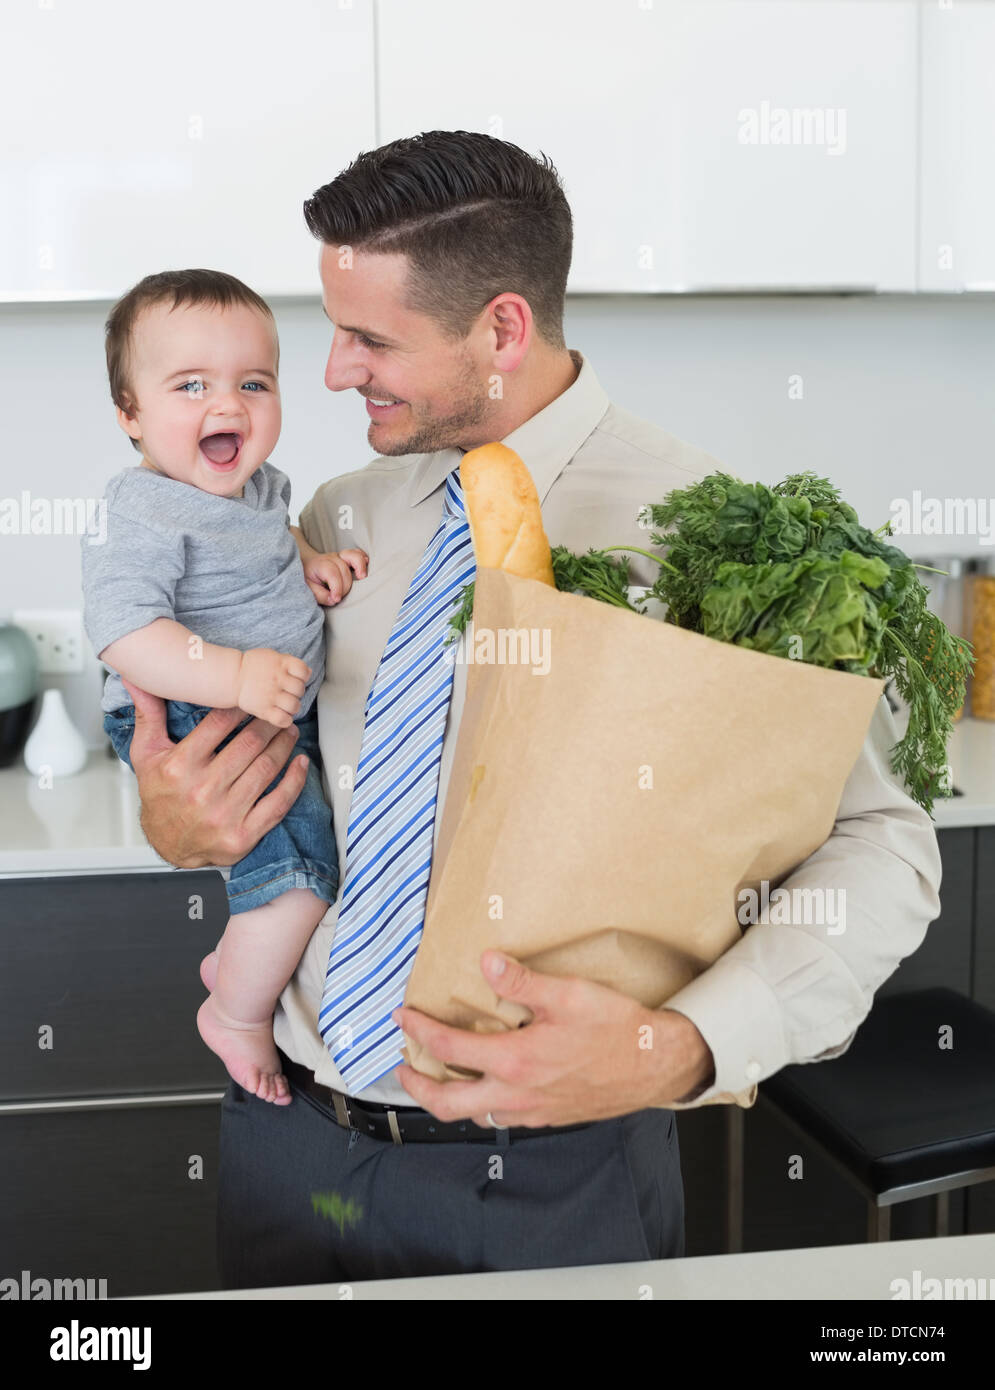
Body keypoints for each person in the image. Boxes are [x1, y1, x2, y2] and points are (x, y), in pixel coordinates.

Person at [118, 132, 942, 1286]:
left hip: (556, 1178)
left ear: (500, 329)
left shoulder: (712, 536)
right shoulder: (336, 519)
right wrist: (171, 820)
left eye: (369, 339)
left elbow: (881, 847)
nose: (331, 374)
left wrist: (681, 1045)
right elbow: (228, 753)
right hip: (284, 1136)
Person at [80, 270, 368, 1106]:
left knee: (304, 867)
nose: (229, 405)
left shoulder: (261, 492)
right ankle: (236, 1016)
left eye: (253, 383)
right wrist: (236, 674)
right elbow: (127, 634)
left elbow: (264, 540)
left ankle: (238, 959)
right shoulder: (140, 509)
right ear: (130, 413)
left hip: (263, 710)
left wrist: (309, 561)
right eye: (191, 386)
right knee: (302, 872)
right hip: (193, 709)